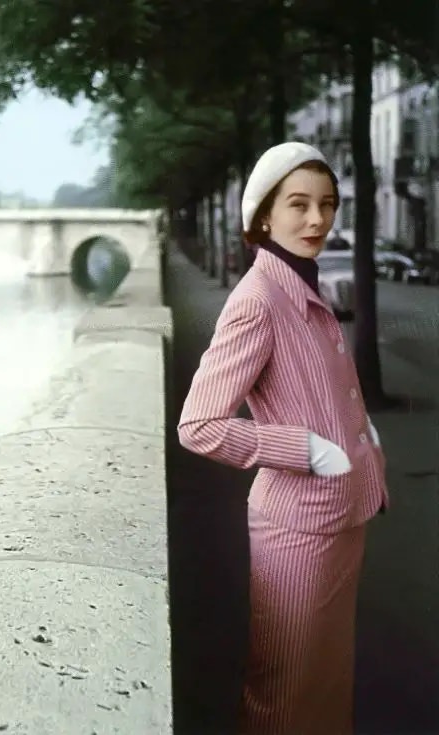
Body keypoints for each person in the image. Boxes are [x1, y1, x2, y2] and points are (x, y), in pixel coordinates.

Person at [176, 142, 389, 734]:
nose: (318, 219)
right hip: (298, 529)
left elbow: (323, 387)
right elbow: (199, 426)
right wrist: (303, 450)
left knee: (327, 681)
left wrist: (361, 438)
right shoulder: (258, 299)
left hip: (343, 513)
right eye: (298, 204)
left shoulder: (301, 281)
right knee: (285, 692)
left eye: (327, 204)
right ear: (264, 216)